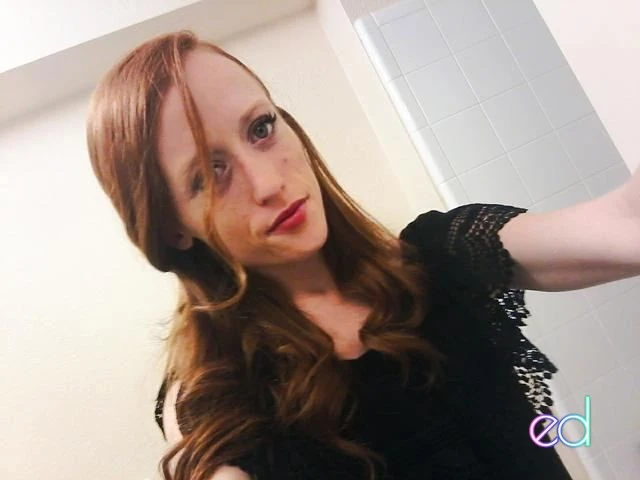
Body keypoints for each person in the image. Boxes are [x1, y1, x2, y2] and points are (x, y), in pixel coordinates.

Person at [86, 30, 638, 480]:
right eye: (210, 173)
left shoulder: (439, 258)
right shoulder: (219, 404)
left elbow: (618, 224)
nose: (267, 182)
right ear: (171, 228)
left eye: (261, 128)